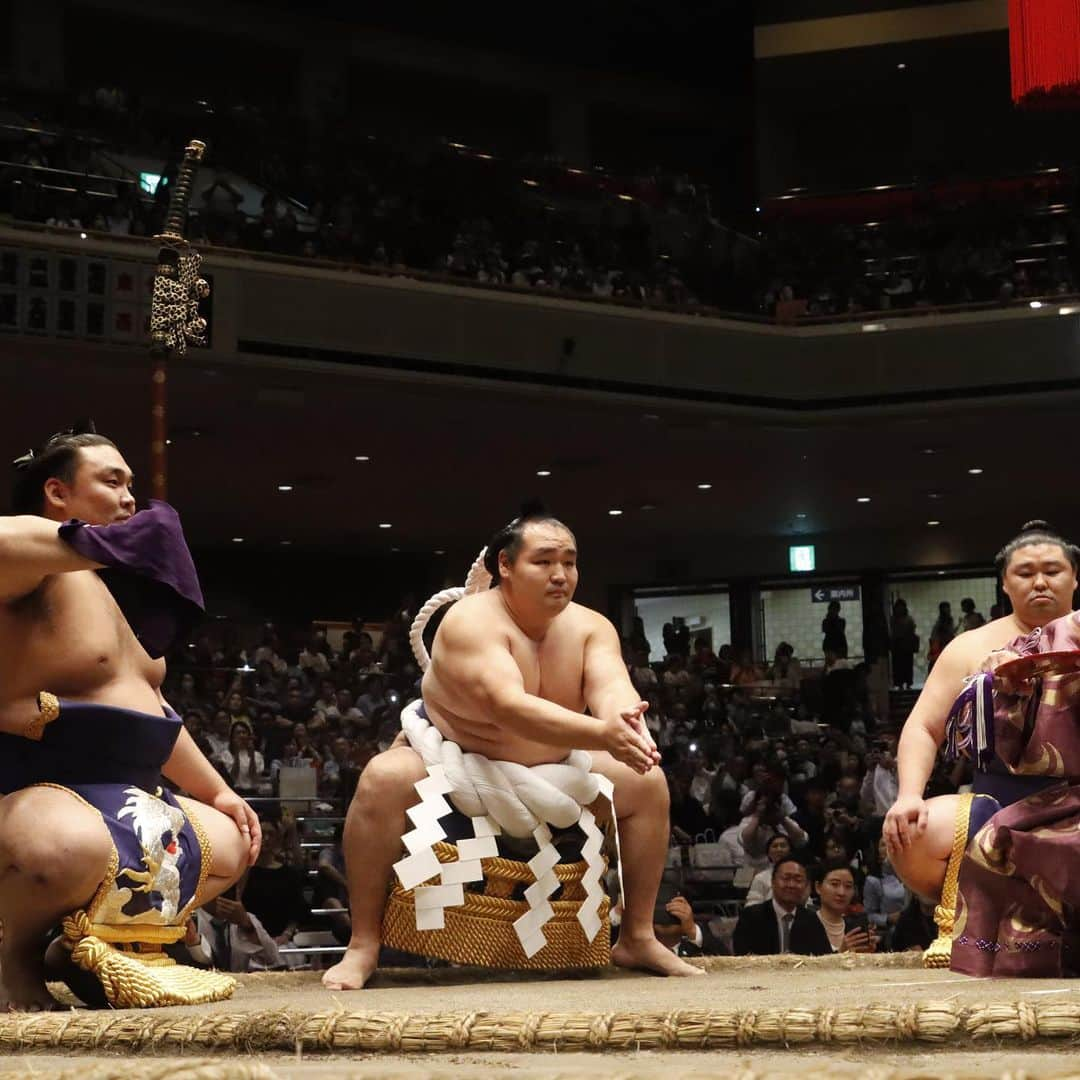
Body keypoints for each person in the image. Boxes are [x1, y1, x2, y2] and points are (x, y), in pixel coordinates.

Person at [323, 507, 701, 989]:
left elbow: (611, 687)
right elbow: (506, 705)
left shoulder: (591, 627)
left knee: (648, 783)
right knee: (381, 778)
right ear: (505, 565)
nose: (561, 575)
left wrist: (625, 722)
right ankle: (363, 945)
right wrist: (603, 735)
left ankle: (638, 937)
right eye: (543, 562)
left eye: (570, 562)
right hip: (457, 763)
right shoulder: (468, 622)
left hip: (555, 767)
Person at [0, 426, 259, 1010]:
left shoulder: (115, 591)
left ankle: (75, 944)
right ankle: (11, 955)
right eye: (111, 481)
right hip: (41, 785)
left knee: (230, 841)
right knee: (60, 849)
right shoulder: (29, 568)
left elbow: (152, 708)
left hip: (133, 788)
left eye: (131, 486)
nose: (128, 499)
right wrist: (88, 545)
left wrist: (217, 791)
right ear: (57, 493)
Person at [884, 521, 1080, 976]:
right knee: (915, 831)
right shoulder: (970, 647)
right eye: (1025, 572)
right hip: (999, 802)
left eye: (1053, 570)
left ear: (1075, 577)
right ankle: (977, 928)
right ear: (1005, 582)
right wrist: (908, 794)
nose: (1040, 581)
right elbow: (923, 727)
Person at [732, 858, 831, 956]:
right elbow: (741, 955)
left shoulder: (812, 919)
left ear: (805, 885)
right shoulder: (751, 916)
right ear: (773, 882)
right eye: (786, 878)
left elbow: (824, 958)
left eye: (798, 880)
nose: (791, 885)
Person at [813, 860, 876, 954]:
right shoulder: (806, 923)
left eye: (848, 886)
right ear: (818, 887)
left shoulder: (854, 926)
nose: (841, 892)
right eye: (834, 884)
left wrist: (867, 955)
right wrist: (841, 953)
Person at [745, 833, 792, 905]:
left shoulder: (799, 876)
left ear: (790, 851)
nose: (779, 849)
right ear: (769, 853)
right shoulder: (760, 877)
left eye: (783, 846)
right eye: (775, 846)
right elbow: (752, 904)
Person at [889, 599, 918, 690]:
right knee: (899, 666)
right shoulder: (895, 619)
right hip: (898, 645)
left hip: (906, 645)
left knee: (907, 665)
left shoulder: (903, 619)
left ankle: (908, 683)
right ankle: (900, 683)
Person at [926, 601, 955, 672]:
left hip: (941, 643)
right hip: (941, 643)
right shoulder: (944, 621)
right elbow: (948, 632)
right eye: (946, 608)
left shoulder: (943, 620)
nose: (948, 610)